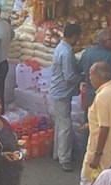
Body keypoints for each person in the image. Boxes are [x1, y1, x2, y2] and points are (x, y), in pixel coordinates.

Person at [49, 23, 83, 173]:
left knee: (60, 124)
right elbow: (69, 76)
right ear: (74, 37)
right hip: (62, 92)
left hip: (58, 91)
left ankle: (58, 153)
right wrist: (82, 78)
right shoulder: (67, 52)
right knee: (65, 126)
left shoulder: (61, 48)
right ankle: (65, 159)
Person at [80, 28, 111, 114]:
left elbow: (79, 69)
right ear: (107, 41)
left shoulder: (86, 53)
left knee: (90, 120)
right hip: (106, 98)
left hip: (90, 96)